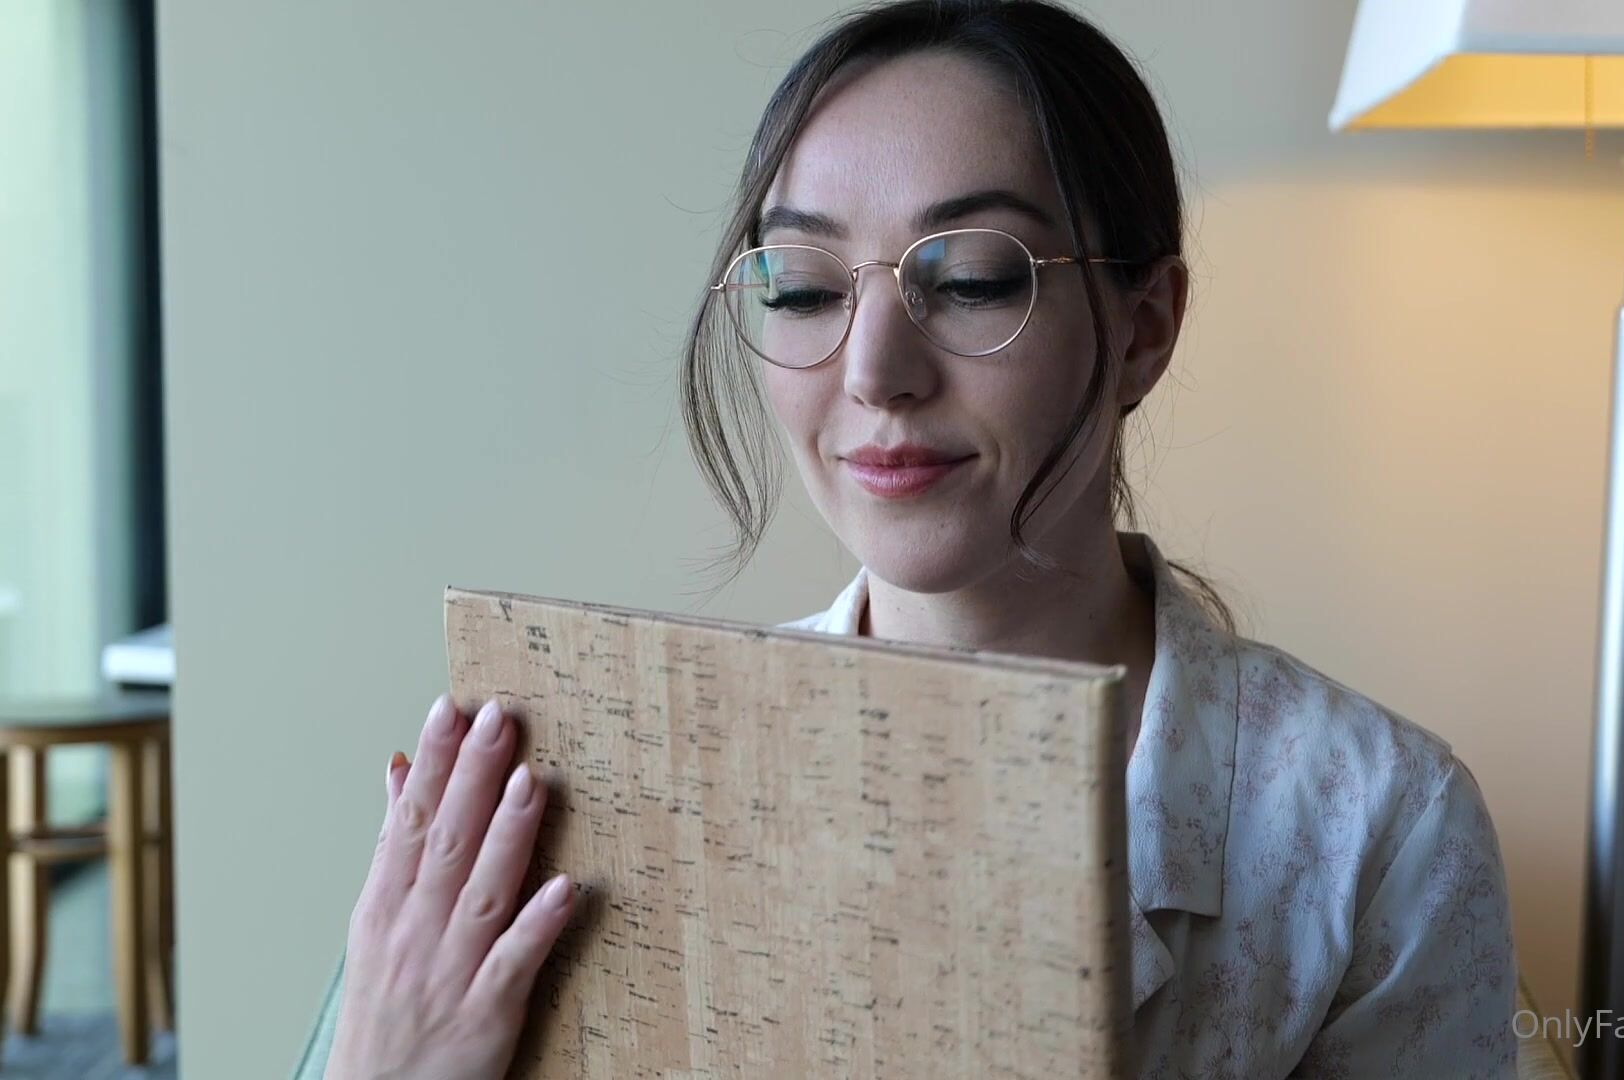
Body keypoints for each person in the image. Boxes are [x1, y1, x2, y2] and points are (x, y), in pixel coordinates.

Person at [297, 2, 1518, 1077]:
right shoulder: (597, 787)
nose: (875, 370)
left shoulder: (1371, 825)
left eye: (973, 279)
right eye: (803, 287)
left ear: (1145, 327)